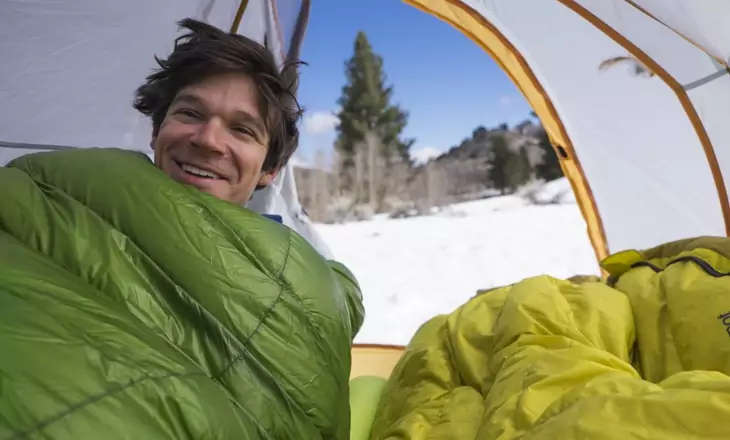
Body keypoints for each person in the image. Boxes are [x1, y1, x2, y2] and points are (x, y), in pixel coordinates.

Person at [0, 18, 364, 439]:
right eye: (190, 112)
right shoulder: (56, 190)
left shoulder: (302, 272)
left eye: (242, 129)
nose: (208, 140)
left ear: (269, 169)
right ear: (157, 131)